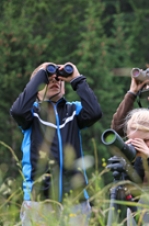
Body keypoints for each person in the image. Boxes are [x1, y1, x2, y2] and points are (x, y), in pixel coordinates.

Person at [10, 62, 102, 226]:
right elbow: (17, 111)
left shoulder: (73, 111)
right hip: (39, 201)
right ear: (36, 90)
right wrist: (41, 74)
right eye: (48, 80)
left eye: (59, 80)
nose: (55, 82)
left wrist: (76, 79)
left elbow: (94, 112)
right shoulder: (32, 113)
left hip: (75, 200)